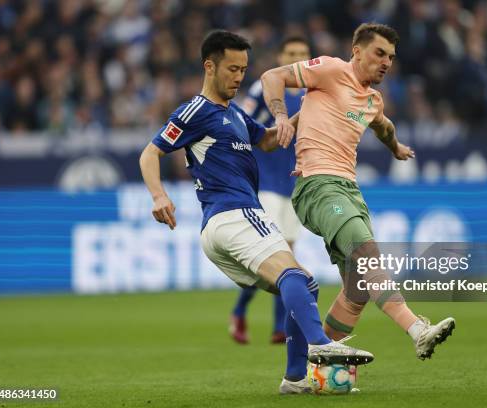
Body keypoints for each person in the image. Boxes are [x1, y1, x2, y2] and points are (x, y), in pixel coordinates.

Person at [139, 30, 373, 395]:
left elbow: (265, 140)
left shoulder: (233, 114)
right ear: (209, 66)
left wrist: (303, 111)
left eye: (244, 70)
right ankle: (321, 346)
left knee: (303, 284)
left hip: (230, 222)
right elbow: (150, 152)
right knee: (294, 276)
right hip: (232, 213)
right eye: (232, 69)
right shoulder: (196, 110)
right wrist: (158, 196)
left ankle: (294, 379)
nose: (238, 77)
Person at [260, 23, 455, 360]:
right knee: (369, 256)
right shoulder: (332, 70)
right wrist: (281, 116)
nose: (386, 62)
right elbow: (271, 77)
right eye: (379, 53)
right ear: (357, 52)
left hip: (349, 191)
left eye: (391, 57)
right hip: (318, 187)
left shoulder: (372, 100)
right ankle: (417, 330)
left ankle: (313, 362)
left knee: (358, 287)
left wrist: (395, 147)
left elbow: (384, 126)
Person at [229, 36, 311, 345]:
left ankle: (262, 320)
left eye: (302, 53)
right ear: (280, 56)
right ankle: (271, 324)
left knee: (287, 257)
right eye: (291, 53)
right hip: (264, 184)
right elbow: (240, 118)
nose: (297, 58)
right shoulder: (265, 88)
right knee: (274, 254)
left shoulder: (311, 93)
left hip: (294, 186)